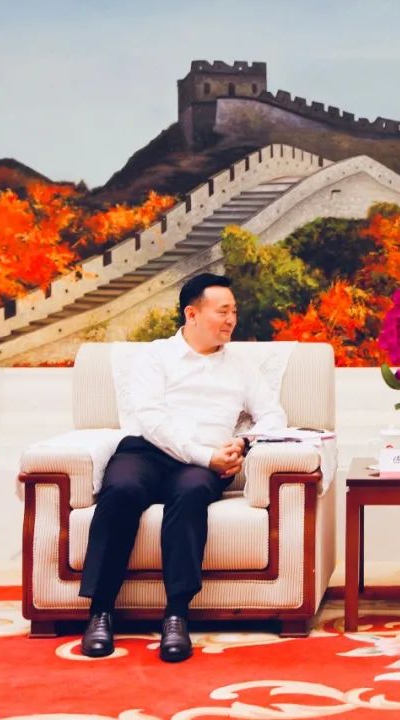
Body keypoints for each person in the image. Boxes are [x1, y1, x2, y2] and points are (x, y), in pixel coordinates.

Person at [79, 273, 286, 663]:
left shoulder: (241, 366)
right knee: (121, 490)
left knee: (191, 493)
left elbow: (274, 415)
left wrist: (244, 442)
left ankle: (176, 616)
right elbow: (152, 420)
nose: (231, 319)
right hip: (148, 453)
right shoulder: (155, 356)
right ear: (192, 314)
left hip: (204, 464)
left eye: (234, 311)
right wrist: (203, 456)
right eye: (222, 311)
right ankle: (100, 612)